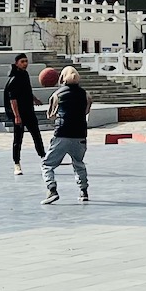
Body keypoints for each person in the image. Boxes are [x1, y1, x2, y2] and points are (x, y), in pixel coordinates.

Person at [42, 66, 91, 205]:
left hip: (62, 133)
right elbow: (86, 111)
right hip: (80, 134)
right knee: (79, 163)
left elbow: (50, 115)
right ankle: (83, 191)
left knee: (47, 164)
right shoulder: (86, 94)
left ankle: (52, 189)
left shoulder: (57, 94)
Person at [3, 53, 44, 175]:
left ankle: (43, 157)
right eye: (22, 61)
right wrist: (16, 116)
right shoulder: (14, 79)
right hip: (19, 114)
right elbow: (13, 100)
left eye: (26, 61)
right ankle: (17, 164)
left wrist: (34, 99)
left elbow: (26, 91)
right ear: (17, 64)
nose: (25, 63)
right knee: (18, 139)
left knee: (36, 135)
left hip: (29, 111)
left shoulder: (25, 75)